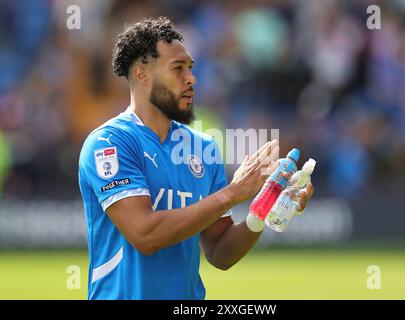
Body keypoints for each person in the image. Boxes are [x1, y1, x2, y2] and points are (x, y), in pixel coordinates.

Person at [78, 16, 314, 300]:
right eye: (178, 68)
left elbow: (220, 252)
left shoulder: (203, 147)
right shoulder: (110, 143)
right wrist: (232, 193)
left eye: (190, 67)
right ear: (142, 74)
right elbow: (145, 234)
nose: (191, 78)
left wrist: (263, 205)